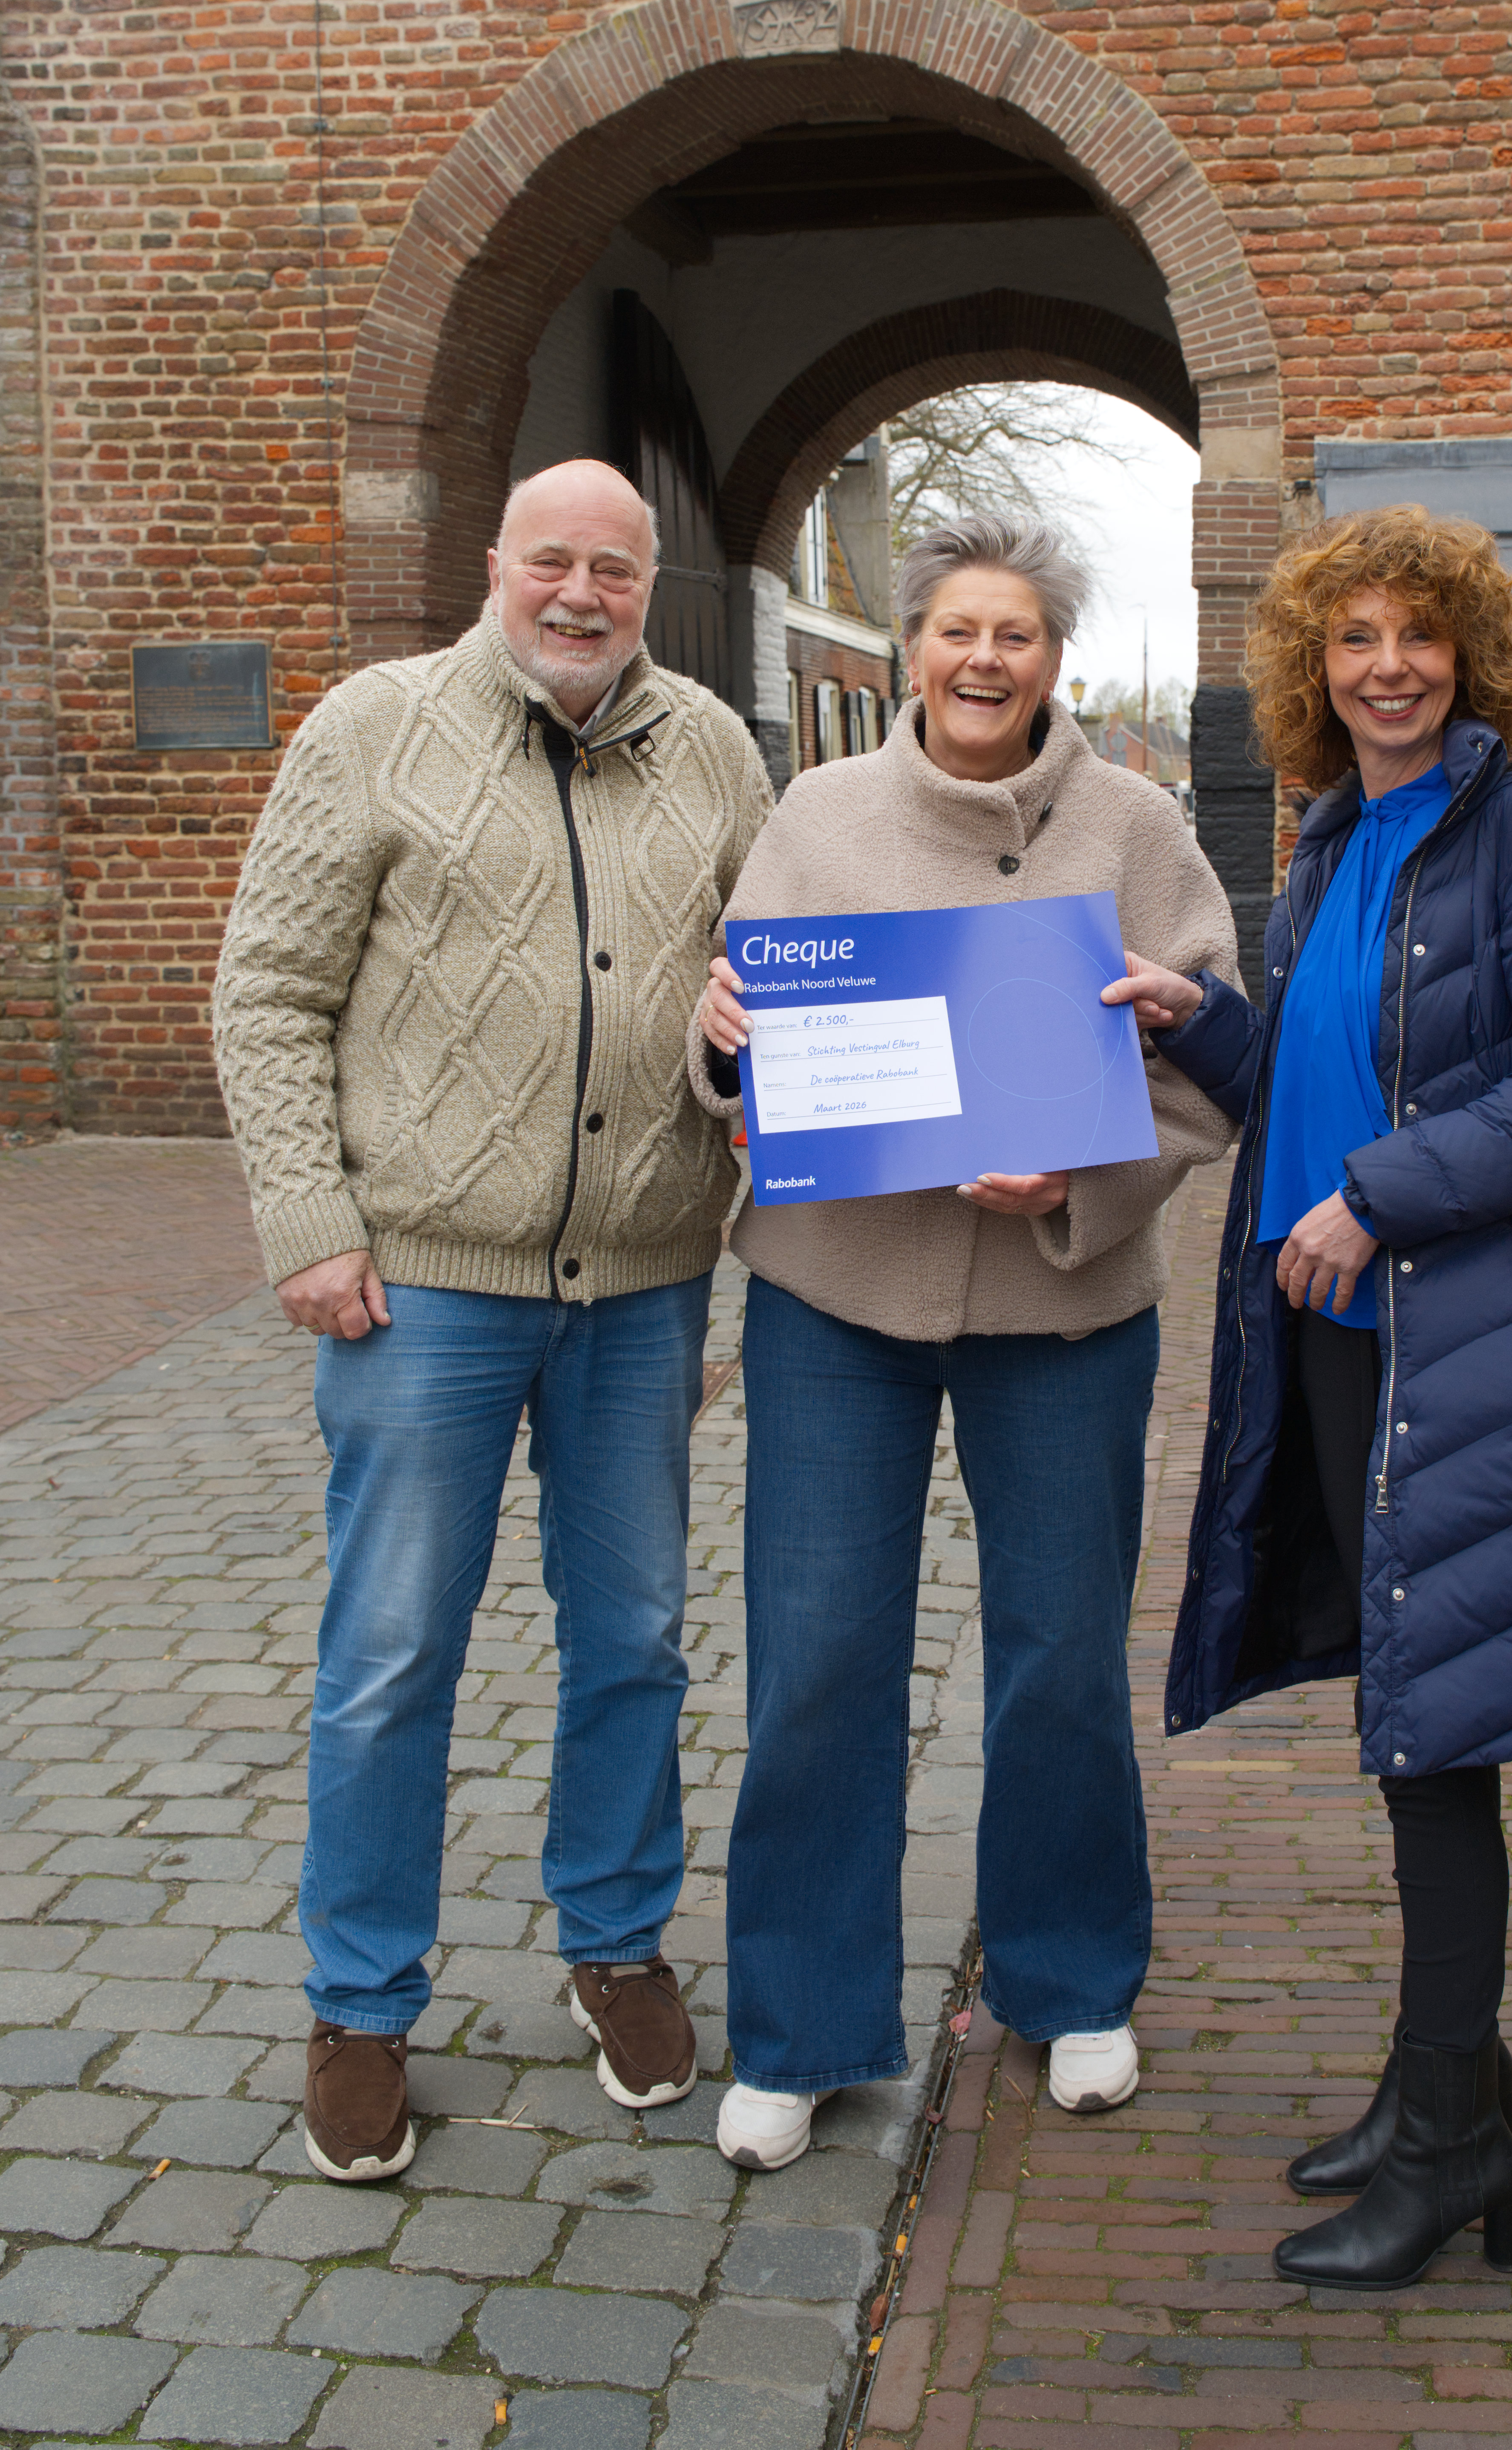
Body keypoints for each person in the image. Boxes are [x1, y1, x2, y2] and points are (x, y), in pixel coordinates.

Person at [1112, 503, 1512, 2289]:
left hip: (1463, 1334)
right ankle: (1439, 2090)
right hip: (1333, 1327)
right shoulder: (1327, 837)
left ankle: (1453, 2137)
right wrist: (1190, 1016)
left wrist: (1374, 1199)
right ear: (1312, 666)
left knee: (1436, 1736)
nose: (1387, 667)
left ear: (1471, 656)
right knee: (1408, 1714)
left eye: (1418, 635)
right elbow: (1321, 1075)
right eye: (1352, 637)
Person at [211, 458, 775, 2182]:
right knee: (391, 1655)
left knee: (635, 1638)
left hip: (645, 1286)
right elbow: (269, 989)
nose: (581, 593)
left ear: (650, 582)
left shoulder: (716, 751)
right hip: (424, 1289)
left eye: (615, 566)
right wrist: (310, 1224)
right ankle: (359, 2002)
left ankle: (615, 1942)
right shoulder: (372, 728)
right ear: (495, 565)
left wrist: (747, 1070)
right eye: (552, 560)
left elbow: (766, 992)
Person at [690, 511, 1239, 2170]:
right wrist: (718, 1038)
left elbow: (1209, 1064)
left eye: (1015, 634)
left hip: (1061, 1308)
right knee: (816, 1660)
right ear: (910, 648)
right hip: (833, 1298)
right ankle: (800, 2027)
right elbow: (737, 1039)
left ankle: (1070, 1982)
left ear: (1053, 659)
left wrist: (1083, 1176)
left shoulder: (1137, 826)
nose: (982, 659)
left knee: (1060, 1655)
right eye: (955, 630)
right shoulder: (816, 813)